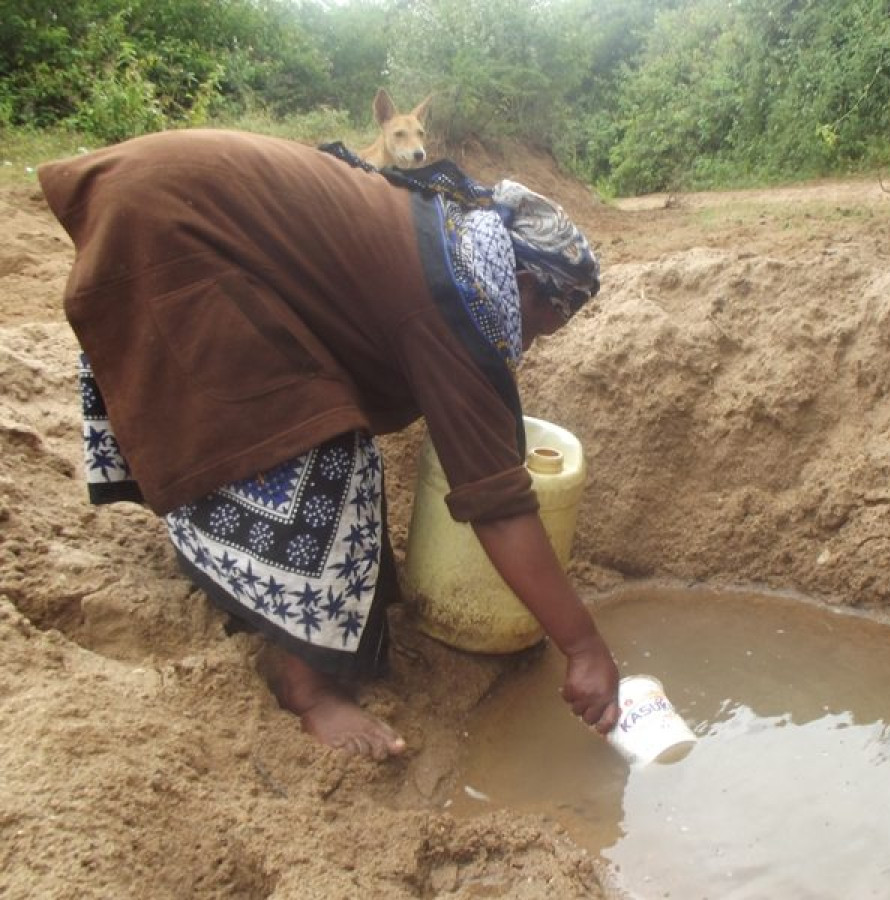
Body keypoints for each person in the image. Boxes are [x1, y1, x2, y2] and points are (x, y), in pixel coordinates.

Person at [38, 128, 621, 760]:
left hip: (162, 194)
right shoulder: (458, 299)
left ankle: (242, 574)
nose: (536, 340)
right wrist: (585, 647)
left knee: (303, 410)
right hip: (173, 229)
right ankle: (307, 689)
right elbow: (496, 501)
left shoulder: (448, 243)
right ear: (529, 285)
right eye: (550, 320)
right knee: (325, 450)